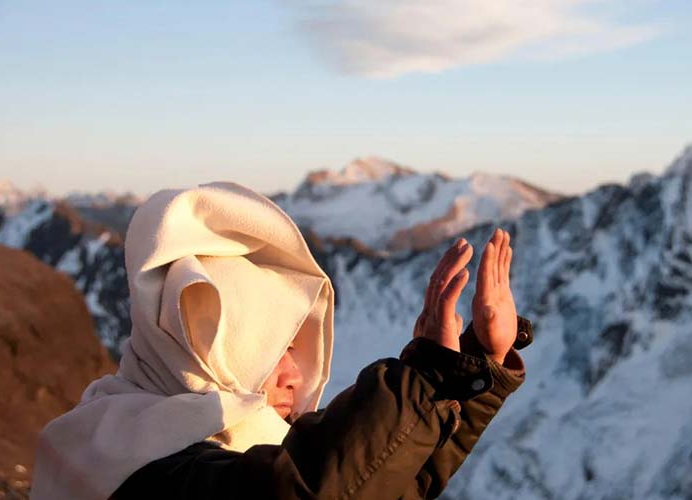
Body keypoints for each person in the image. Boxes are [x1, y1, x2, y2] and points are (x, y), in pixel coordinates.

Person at [30, 182, 531, 500]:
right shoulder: (143, 467)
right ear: (206, 350)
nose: (296, 374)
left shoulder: (122, 433)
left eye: (296, 347)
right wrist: (426, 376)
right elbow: (306, 491)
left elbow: (386, 483)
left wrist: (478, 363)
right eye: (271, 349)